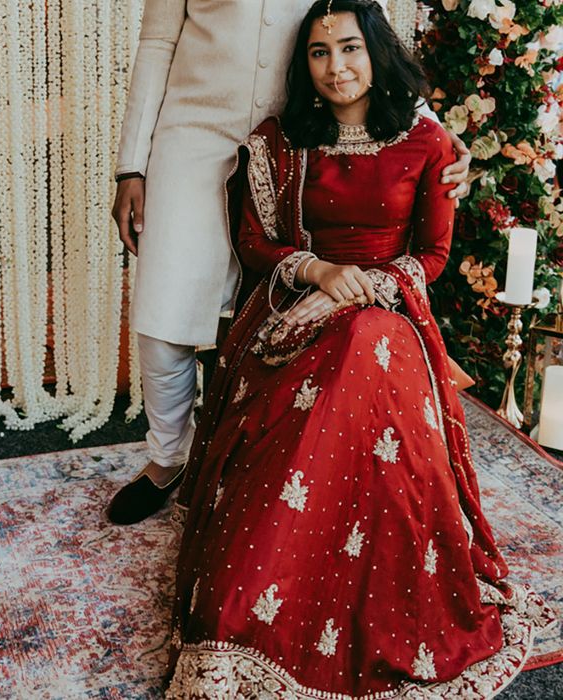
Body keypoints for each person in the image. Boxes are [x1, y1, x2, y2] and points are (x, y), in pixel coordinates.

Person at [164, 1, 555, 696]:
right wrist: (319, 275)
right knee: (314, 394)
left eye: (350, 49)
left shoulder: (426, 142)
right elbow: (256, 243)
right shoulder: (282, 140)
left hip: (390, 315)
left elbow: (432, 255)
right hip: (296, 309)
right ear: (302, 63)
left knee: (368, 343)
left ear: (376, 51)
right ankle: (244, 618)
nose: (337, 68)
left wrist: (365, 289)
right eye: (319, 53)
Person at [107, 0, 473, 525]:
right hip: (192, 138)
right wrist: (129, 169)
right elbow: (156, 47)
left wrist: (435, 130)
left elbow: (364, 32)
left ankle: (236, 458)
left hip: (300, 133)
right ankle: (168, 460)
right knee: (165, 313)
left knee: (267, 305)